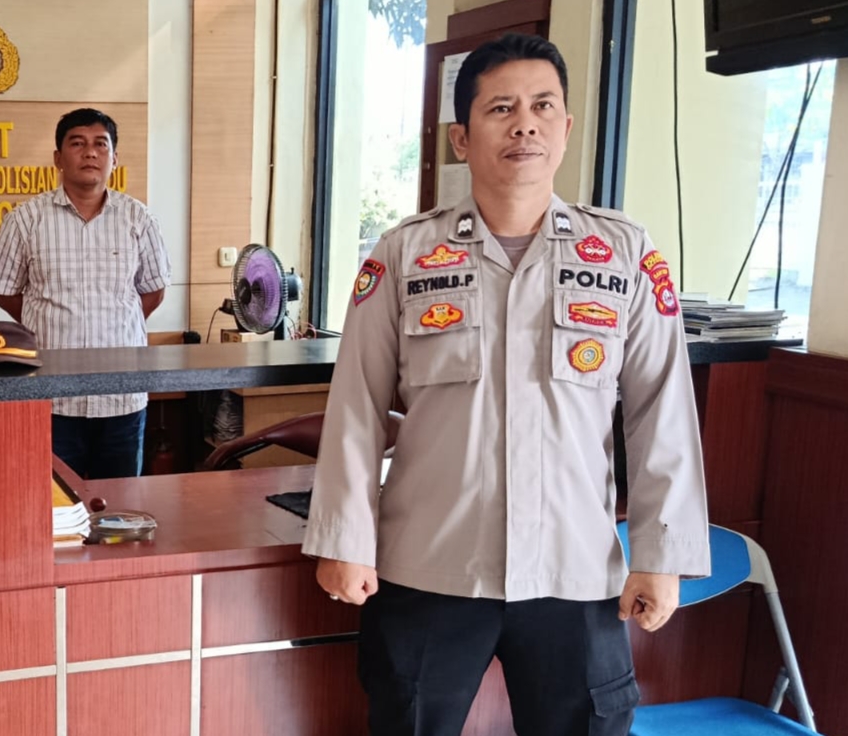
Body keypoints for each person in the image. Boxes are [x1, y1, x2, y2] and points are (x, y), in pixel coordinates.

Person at [303, 34, 710, 736]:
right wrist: (345, 537)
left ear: (566, 128)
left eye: (542, 106)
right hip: (432, 565)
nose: (525, 124)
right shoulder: (405, 253)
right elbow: (356, 407)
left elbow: (660, 410)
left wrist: (661, 555)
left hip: (574, 571)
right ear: (461, 138)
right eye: (501, 109)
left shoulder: (623, 256)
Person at [0, 107, 172, 479]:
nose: (90, 153)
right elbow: (4, 291)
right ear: (58, 158)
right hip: (52, 398)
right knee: (52, 503)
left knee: (120, 503)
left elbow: (153, 291)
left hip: (121, 395)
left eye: (101, 144)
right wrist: (46, 323)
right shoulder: (26, 219)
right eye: (77, 143)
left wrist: (117, 323)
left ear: (114, 159)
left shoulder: (138, 219)